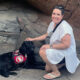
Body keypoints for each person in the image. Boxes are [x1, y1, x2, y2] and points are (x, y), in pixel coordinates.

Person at [25, 5, 80, 79]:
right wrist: (33, 39)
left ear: (62, 16)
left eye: (58, 14)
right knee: (47, 69)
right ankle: (63, 64)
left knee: (42, 51)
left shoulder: (65, 28)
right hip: (58, 48)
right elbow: (47, 35)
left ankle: (56, 72)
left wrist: (50, 46)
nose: (55, 16)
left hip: (66, 51)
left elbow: (66, 45)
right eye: (54, 13)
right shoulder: (53, 23)